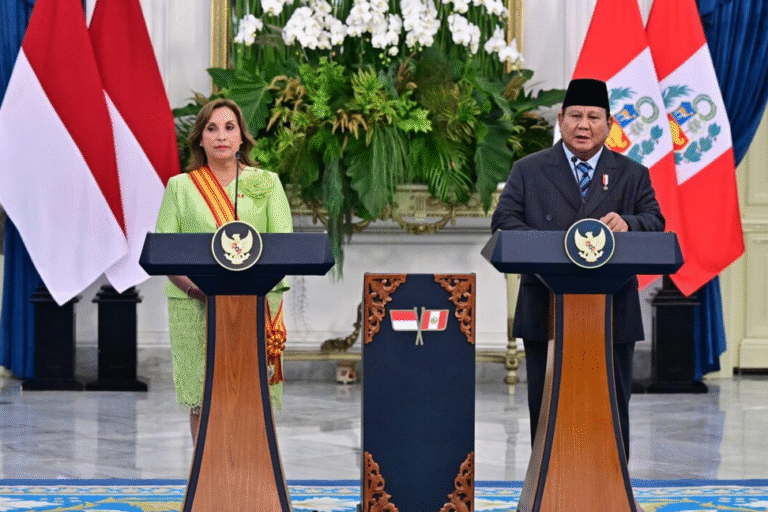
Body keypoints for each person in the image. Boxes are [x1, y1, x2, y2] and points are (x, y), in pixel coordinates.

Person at [491, 78, 665, 459]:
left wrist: (629, 224)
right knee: (548, 410)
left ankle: (611, 484)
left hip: (613, 313)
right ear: (561, 119)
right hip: (545, 309)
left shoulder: (632, 174)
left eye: (593, 117)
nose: (583, 125)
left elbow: (655, 221)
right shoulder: (529, 170)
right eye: (575, 116)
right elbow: (503, 222)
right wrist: (549, 245)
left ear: (609, 124)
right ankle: (548, 484)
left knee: (610, 410)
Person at [155, 98, 293, 444]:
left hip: (256, 304)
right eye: (211, 128)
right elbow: (165, 252)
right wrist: (196, 289)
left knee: (252, 395)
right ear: (200, 139)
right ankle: (204, 473)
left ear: (242, 136)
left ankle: (255, 473)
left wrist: (249, 290)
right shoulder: (180, 187)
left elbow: (284, 247)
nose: (221, 136)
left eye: (229, 127)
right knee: (202, 397)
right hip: (195, 305)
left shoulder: (268, 183)